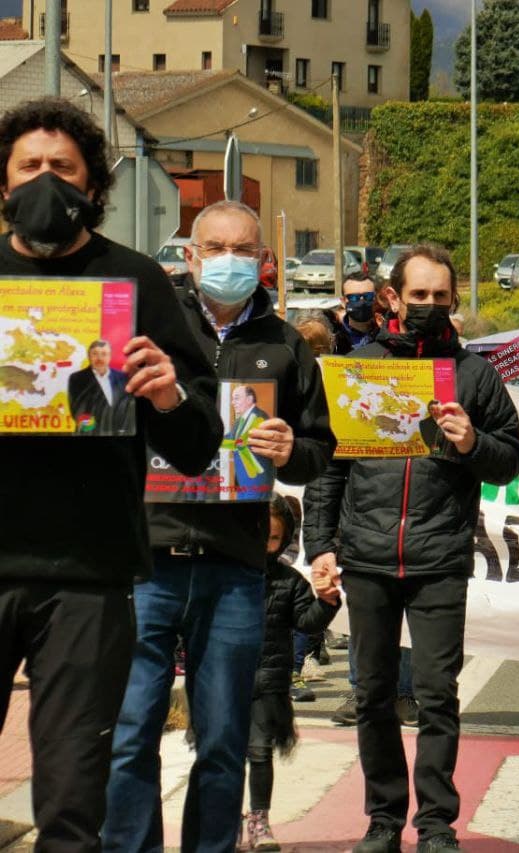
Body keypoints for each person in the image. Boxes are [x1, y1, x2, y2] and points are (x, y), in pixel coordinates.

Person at [0, 96, 222, 849]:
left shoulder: (137, 283)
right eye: (29, 167)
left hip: (87, 576)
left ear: (93, 187)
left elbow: (199, 444)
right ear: (3, 183)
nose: (45, 182)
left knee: (70, 799)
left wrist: (166, 393)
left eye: (63, 169)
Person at [104, 199, 336, 853]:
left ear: (264, 261)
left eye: (244, 250)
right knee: (130, 734)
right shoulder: (152, 326)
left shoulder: (286, 344)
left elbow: (323, 447)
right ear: (189, 256)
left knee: (224, 739)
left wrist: (296, 448)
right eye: (216, 248)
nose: (230, 261)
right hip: (147, 556)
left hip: (236, 566)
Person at [306, 243, 519, 852]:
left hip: (439, 560)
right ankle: (382, 821)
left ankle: (435, 824)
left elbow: (510, 460)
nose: (429, 305)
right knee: (372, 694)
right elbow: (327, 469)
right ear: (392, 298)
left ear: (453, 300)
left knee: (436, 695)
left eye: (440, 296)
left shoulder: (476, 374)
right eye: (418, 295)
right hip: (368, 558)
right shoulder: (359, 367)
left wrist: (471, 441)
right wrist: (320, 544)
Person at [243, 495, 341, 851]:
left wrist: (327, 601)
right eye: (257, 533)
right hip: (221, 680)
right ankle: (222, 818)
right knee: (220, 753)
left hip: (267, 682)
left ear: (284, 540)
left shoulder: (289, 580)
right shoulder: (224, 574)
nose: (264, 544)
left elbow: (305, 622)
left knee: (259, 752)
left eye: (272, 538)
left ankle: (258, 819)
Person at [68, 338, 133, 434]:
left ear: (110, 356)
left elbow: (127, 408)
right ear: (89, 356)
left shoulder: (123, 378)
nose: (99, 358)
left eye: (104, 354)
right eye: (95, 354)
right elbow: (78, 411)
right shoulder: (77, 378)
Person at [341, 271, 380, 351]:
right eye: (354, 298)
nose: (362, 302)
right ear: (343, 302)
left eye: (368, 296)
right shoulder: (335, 337)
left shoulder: (386, 333)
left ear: (375, 298)